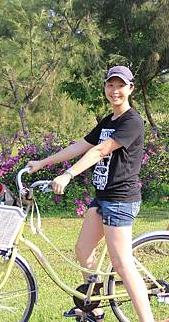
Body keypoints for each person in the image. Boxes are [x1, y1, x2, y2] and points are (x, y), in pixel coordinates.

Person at [26, 66, 155, 322]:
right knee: (84, 250)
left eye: (120, 86)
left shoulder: (132, 121)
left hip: (121, 200)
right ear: (105, 88)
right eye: (110, 85)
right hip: (103, 198)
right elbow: (82, 146)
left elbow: (100, 151)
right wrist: (43, 163)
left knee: (122, 265)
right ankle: (93, 308)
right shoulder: (108, 121)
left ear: (130, 89)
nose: (114, 91)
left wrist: (68, 175)